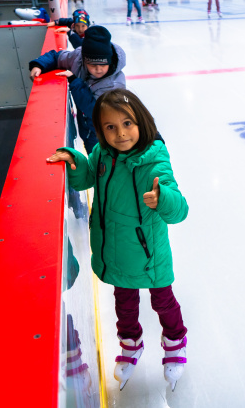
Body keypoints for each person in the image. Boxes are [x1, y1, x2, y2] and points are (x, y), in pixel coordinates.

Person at [46, 88, 190, 391]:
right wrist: (74, 159)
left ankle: (175, 342)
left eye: (127, 124)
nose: (120, 134)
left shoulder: (154, 160)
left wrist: (163, 197)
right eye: (110, 127)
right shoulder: (102, 154)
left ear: (142, 123)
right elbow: (87, 177)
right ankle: (130, 343)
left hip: (149, 254)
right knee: (124, 303)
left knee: (163, 301)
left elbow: (180, 210)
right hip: (115, 250)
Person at [28, 26, 127, 153]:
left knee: (103, 159)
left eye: (103, 64)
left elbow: (97, 112)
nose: (98, 69)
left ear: (110, 60)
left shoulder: (114, 84)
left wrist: (75, 81)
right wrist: (39, 65)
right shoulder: (78, 57)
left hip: (105, 135)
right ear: (84, 60)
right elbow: (56, 56)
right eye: (93, 65)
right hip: (88, 130)